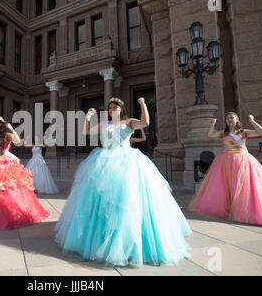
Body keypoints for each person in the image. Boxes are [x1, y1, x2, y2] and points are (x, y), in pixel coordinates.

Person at [55, 97, 191, 267]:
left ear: (122, 109)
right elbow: (86, 133)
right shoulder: (105, 124)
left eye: (116, 108)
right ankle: (101, 238)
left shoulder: (129, 122)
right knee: (102, 202)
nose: (113, 110)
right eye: (110, 108)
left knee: (126, 200)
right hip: (103, 161)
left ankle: (128, 243)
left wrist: (142, 103)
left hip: (126, 162)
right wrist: (88, 117)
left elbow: (146, 122)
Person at [188, 112, 262, 227]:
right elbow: (210, 135)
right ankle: (230, 209)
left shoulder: (244, 132)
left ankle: (245, 211)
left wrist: (252, 121)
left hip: (242, 161)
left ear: (237, 119)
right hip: (225, 161)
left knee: (243, 186)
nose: (229, 120)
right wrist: (213, 123)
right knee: (227, 186)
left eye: (231, 117)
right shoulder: (223, 133)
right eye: (227, 118)